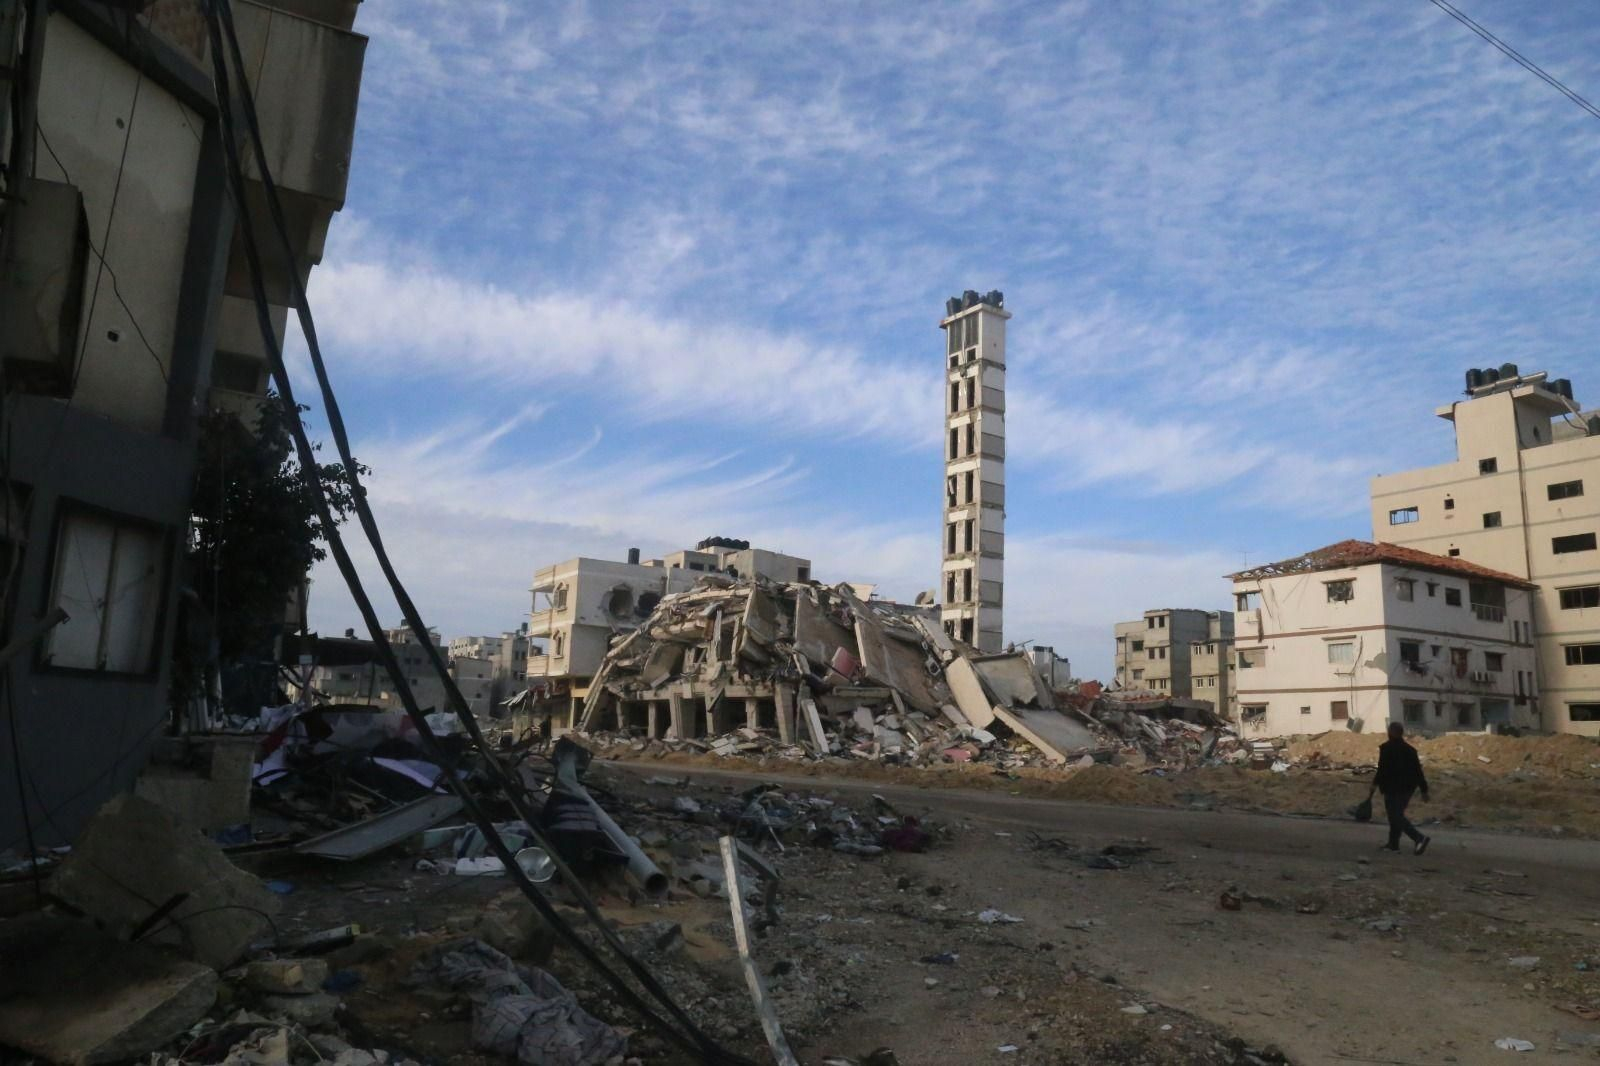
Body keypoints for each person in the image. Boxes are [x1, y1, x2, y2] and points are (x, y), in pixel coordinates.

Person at [1369, 721, 1430, 854]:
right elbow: (1418, 772)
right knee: (1395, 815)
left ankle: (1419, 838)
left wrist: (1374, 784)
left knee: (1395, 816)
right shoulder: (1410, 750)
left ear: (1391, 732)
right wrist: (1424, 790)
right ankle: (1393, 844)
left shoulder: (1386, 748)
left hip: (1392, 788)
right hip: (1407, 788)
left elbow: (1382, 770)